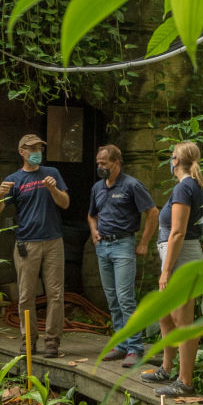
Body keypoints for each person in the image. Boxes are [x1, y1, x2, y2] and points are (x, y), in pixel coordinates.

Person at [0, 133, 70, 357]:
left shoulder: (52, 173)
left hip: (53, 241)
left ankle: (52, 341)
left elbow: (65, 203)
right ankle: (28, 341)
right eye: (31, 149)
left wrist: (53, 189)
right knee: (26, 295)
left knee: (55, 293)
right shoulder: (14, 179)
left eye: (39, 148)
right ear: (22, 152)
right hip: (27, 243)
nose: (36, 152)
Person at [140, 141, 203, 397]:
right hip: (178, 256)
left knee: (182, 319)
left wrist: (166, 271)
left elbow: (178, 233)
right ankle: (166, 369)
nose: (170, 161)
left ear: (176, 160)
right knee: (165, 315)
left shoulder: (185, 187)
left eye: (171, 157)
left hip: (181, 258)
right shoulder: (190, 185)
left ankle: (185, 381)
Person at [87, 145, 157, 368]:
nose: (100, 167)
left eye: (104, 163)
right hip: (103, 247)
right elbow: (91, 215)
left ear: (117, 162)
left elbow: (152, 212)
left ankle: (135, 348)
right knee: (112, 299)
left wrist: (144, 242)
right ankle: (121, 345)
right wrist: (93, 231)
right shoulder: (97, 188)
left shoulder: (131, 185)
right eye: (98, 163)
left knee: (125, 297)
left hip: (123, 245)